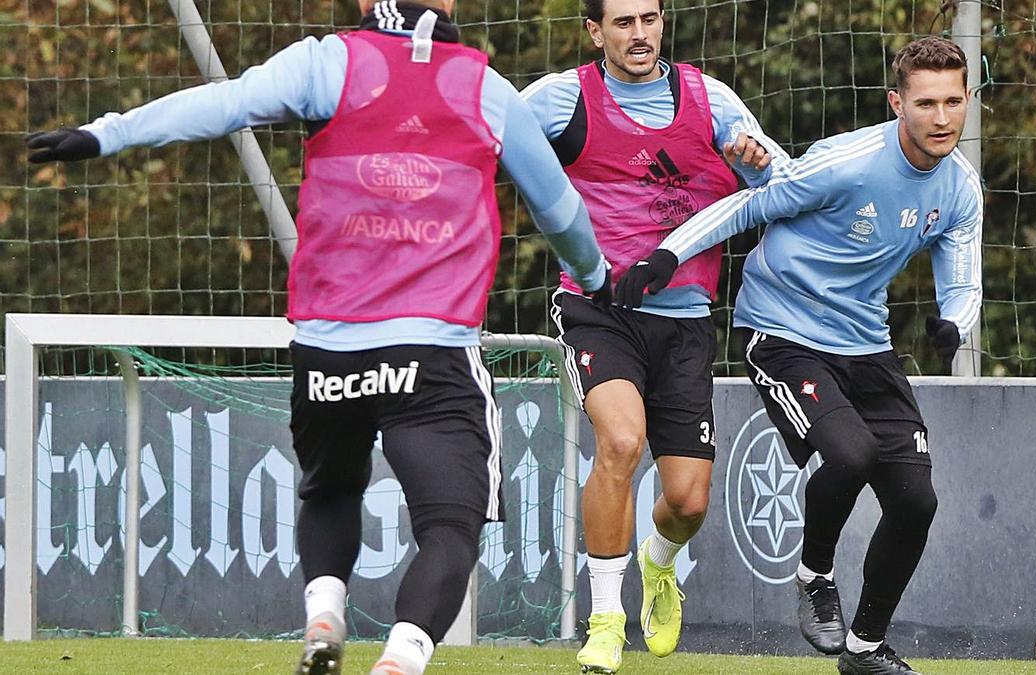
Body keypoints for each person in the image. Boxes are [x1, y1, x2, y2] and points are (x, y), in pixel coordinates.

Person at [26, 2, 611, 674]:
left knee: (330, 488)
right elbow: (561, 209)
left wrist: (107, 134)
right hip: (434, 350)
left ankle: (324, 613)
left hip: (329, 347)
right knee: (451, 525)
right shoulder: (486, 89)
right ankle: (401, 657)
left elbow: (224, 102)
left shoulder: (326, 62)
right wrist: (594, 274)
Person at [615, 36, 982, 675]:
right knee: (850, 453)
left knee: (915, 501)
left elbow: (963, 281)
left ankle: (865, 650)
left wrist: (953, 326)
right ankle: (814, 575)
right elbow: (752, 202)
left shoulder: (960, 188)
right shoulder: (844, 163)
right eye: (927, 103)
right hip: (782, 332)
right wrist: (667, 255)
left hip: (866, 341)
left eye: (954, 101)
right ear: (897, 102)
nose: (942, 118)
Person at [520, 0, 787, 671]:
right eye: (622, 22)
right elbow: (488, 134)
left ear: (663, 22)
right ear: (595, 32)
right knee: (619, 439)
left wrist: (752, 162)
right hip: (597, 306)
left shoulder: (714, 100)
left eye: (648, 19)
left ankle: (658, 562)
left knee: (688, 499)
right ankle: (606, 618)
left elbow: (784, 186)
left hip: (685, 321)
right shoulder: (560, 100)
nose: (637, 34)